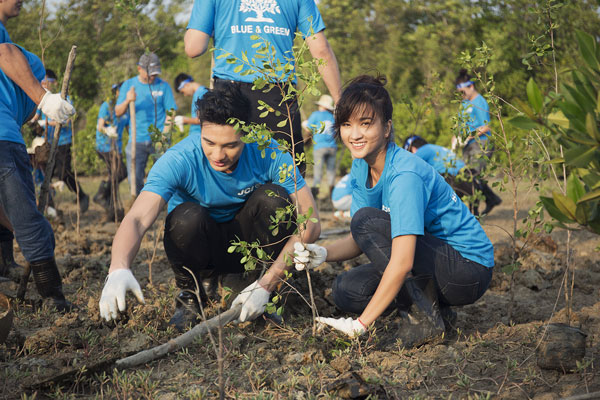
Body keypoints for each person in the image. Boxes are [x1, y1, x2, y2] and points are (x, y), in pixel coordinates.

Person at [98, 82, 320, 331]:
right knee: (184, 217)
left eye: (230, 145)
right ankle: (190, 297)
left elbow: (310, 222)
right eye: (210, 142)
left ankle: (263, 290)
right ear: (200, 129)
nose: (218, 155)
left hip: (249, 249)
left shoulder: (269, 152)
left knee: (274, 199)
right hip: (202, 248)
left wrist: (267, 284)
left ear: (247, 134)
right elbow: (137, 219)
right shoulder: (180, 158)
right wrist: (118, 267)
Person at [293, 75, 494, 347]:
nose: (355, 134)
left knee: (364, 221)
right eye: (347, 124)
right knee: (346, 290)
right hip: (431, 261)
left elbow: (400, 261)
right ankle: (439, 312)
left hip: (468, 269)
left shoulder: (404, 174)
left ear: (387, 128)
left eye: (366, 124)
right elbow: (361, 237)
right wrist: (324, 253)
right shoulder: (362, 165)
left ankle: (423, 320)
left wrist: (360, 324)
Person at [184, 0, 342, 174]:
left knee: (227, 174)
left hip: (229, 96)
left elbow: (193, 48)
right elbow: (321, 51)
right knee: (287, 178)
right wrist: (340, 101)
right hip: (279, 96)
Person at [0, 3, 75, 310]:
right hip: (3, 139)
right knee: (29, 220)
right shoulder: (16, 51)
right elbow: (6, 52)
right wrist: (43, 98)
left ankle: (5, 266)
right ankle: (54, 298)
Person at [115, 52, 177, 195]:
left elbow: (171, 111)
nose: (153, 77)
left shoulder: (163, 86)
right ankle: (138, 203)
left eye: (155, 73)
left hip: (159, 139)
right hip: (137, 139)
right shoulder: (129, 85)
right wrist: (127, 100)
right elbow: (118, 112)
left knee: (164, 176)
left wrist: (164, 135)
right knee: (134, 178)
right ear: (139, 68)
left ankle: (162, 205)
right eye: (150, 73)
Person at [31, 68, 89, 214]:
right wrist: (32, 123)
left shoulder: (63, 99)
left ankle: (81, 195)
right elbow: (35, 117)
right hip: (48, 143)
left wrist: (46, 123)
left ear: (54, 83)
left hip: (62, 142)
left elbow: (67, 120)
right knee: (46, 175)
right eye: (42, 81)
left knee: (63, 173)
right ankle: (51, 208)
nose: (44, 84)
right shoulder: (41, 98)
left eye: (47, 82)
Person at [452, 69, 502, 215]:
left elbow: (486, 126)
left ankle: (474, 212)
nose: (462, 94)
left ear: (471, 86)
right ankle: (492, 199)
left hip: (482, 144)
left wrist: (469, 136)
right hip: (467, 145)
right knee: (465, 176)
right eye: (459, 92)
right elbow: (460, 124)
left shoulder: (480, 102)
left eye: (463, 91)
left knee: (472, 177)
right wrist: (456, 137)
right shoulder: (464, 103)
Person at [403, 135, 483, 215]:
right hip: (467, 174)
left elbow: (409, 167)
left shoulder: (421, 151)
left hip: (451, 177)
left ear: (413, 148)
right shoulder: (435, 147)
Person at [94, 82, 129, 220]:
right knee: (119, 172)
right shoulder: (107, 106)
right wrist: (108, 130)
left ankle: (107, 200)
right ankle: (102, 196)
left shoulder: (127, 109)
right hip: (105, 146)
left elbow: (128, 128)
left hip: (117, 147)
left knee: (117, 174)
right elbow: (100, 126)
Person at [303, 94, 337, 200]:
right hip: (332, 147)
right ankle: (332, 197)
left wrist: (304, 124)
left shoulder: (316, 115)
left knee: (318, 172)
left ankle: (315, 197)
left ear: (322, 106)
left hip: (319, 147)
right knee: (331, 172)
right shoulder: (332, 117)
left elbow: (308, 129)